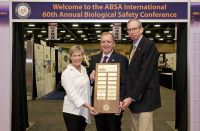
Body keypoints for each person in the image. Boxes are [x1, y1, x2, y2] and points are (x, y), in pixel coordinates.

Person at [120, 19, 161, 131]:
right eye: (129, 29)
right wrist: (131, 96)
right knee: (135, 127)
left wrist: (131, 97)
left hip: (145, 96)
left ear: (141, 29)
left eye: (134, 29)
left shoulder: (149, 45)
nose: (132, 32)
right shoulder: (134, 46)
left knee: (144, 128)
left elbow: (145, 74)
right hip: (135, 97)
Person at [88, 32, 128, 131]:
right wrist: (91, 79)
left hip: (114, 102)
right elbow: (89, 81)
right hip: (98, 103)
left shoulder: (122, 59)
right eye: (103, 42)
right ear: (100, 43)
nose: (106, 44)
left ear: (114, 43)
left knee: (114, 128)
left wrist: (121, 101)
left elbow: (124, 83)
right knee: (100, 128)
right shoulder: (94, 59)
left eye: (109, 42)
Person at [61, 45, 98, 131]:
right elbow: (72, 95)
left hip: (83, 109)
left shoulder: (83, 69)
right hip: (72, 111)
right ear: (70, 57)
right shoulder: (66, 74)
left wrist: (91, 80)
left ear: (83, 56)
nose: (77, 58)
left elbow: (86, 87)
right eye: (74, 55)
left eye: (79, 55)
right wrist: (89, 107)